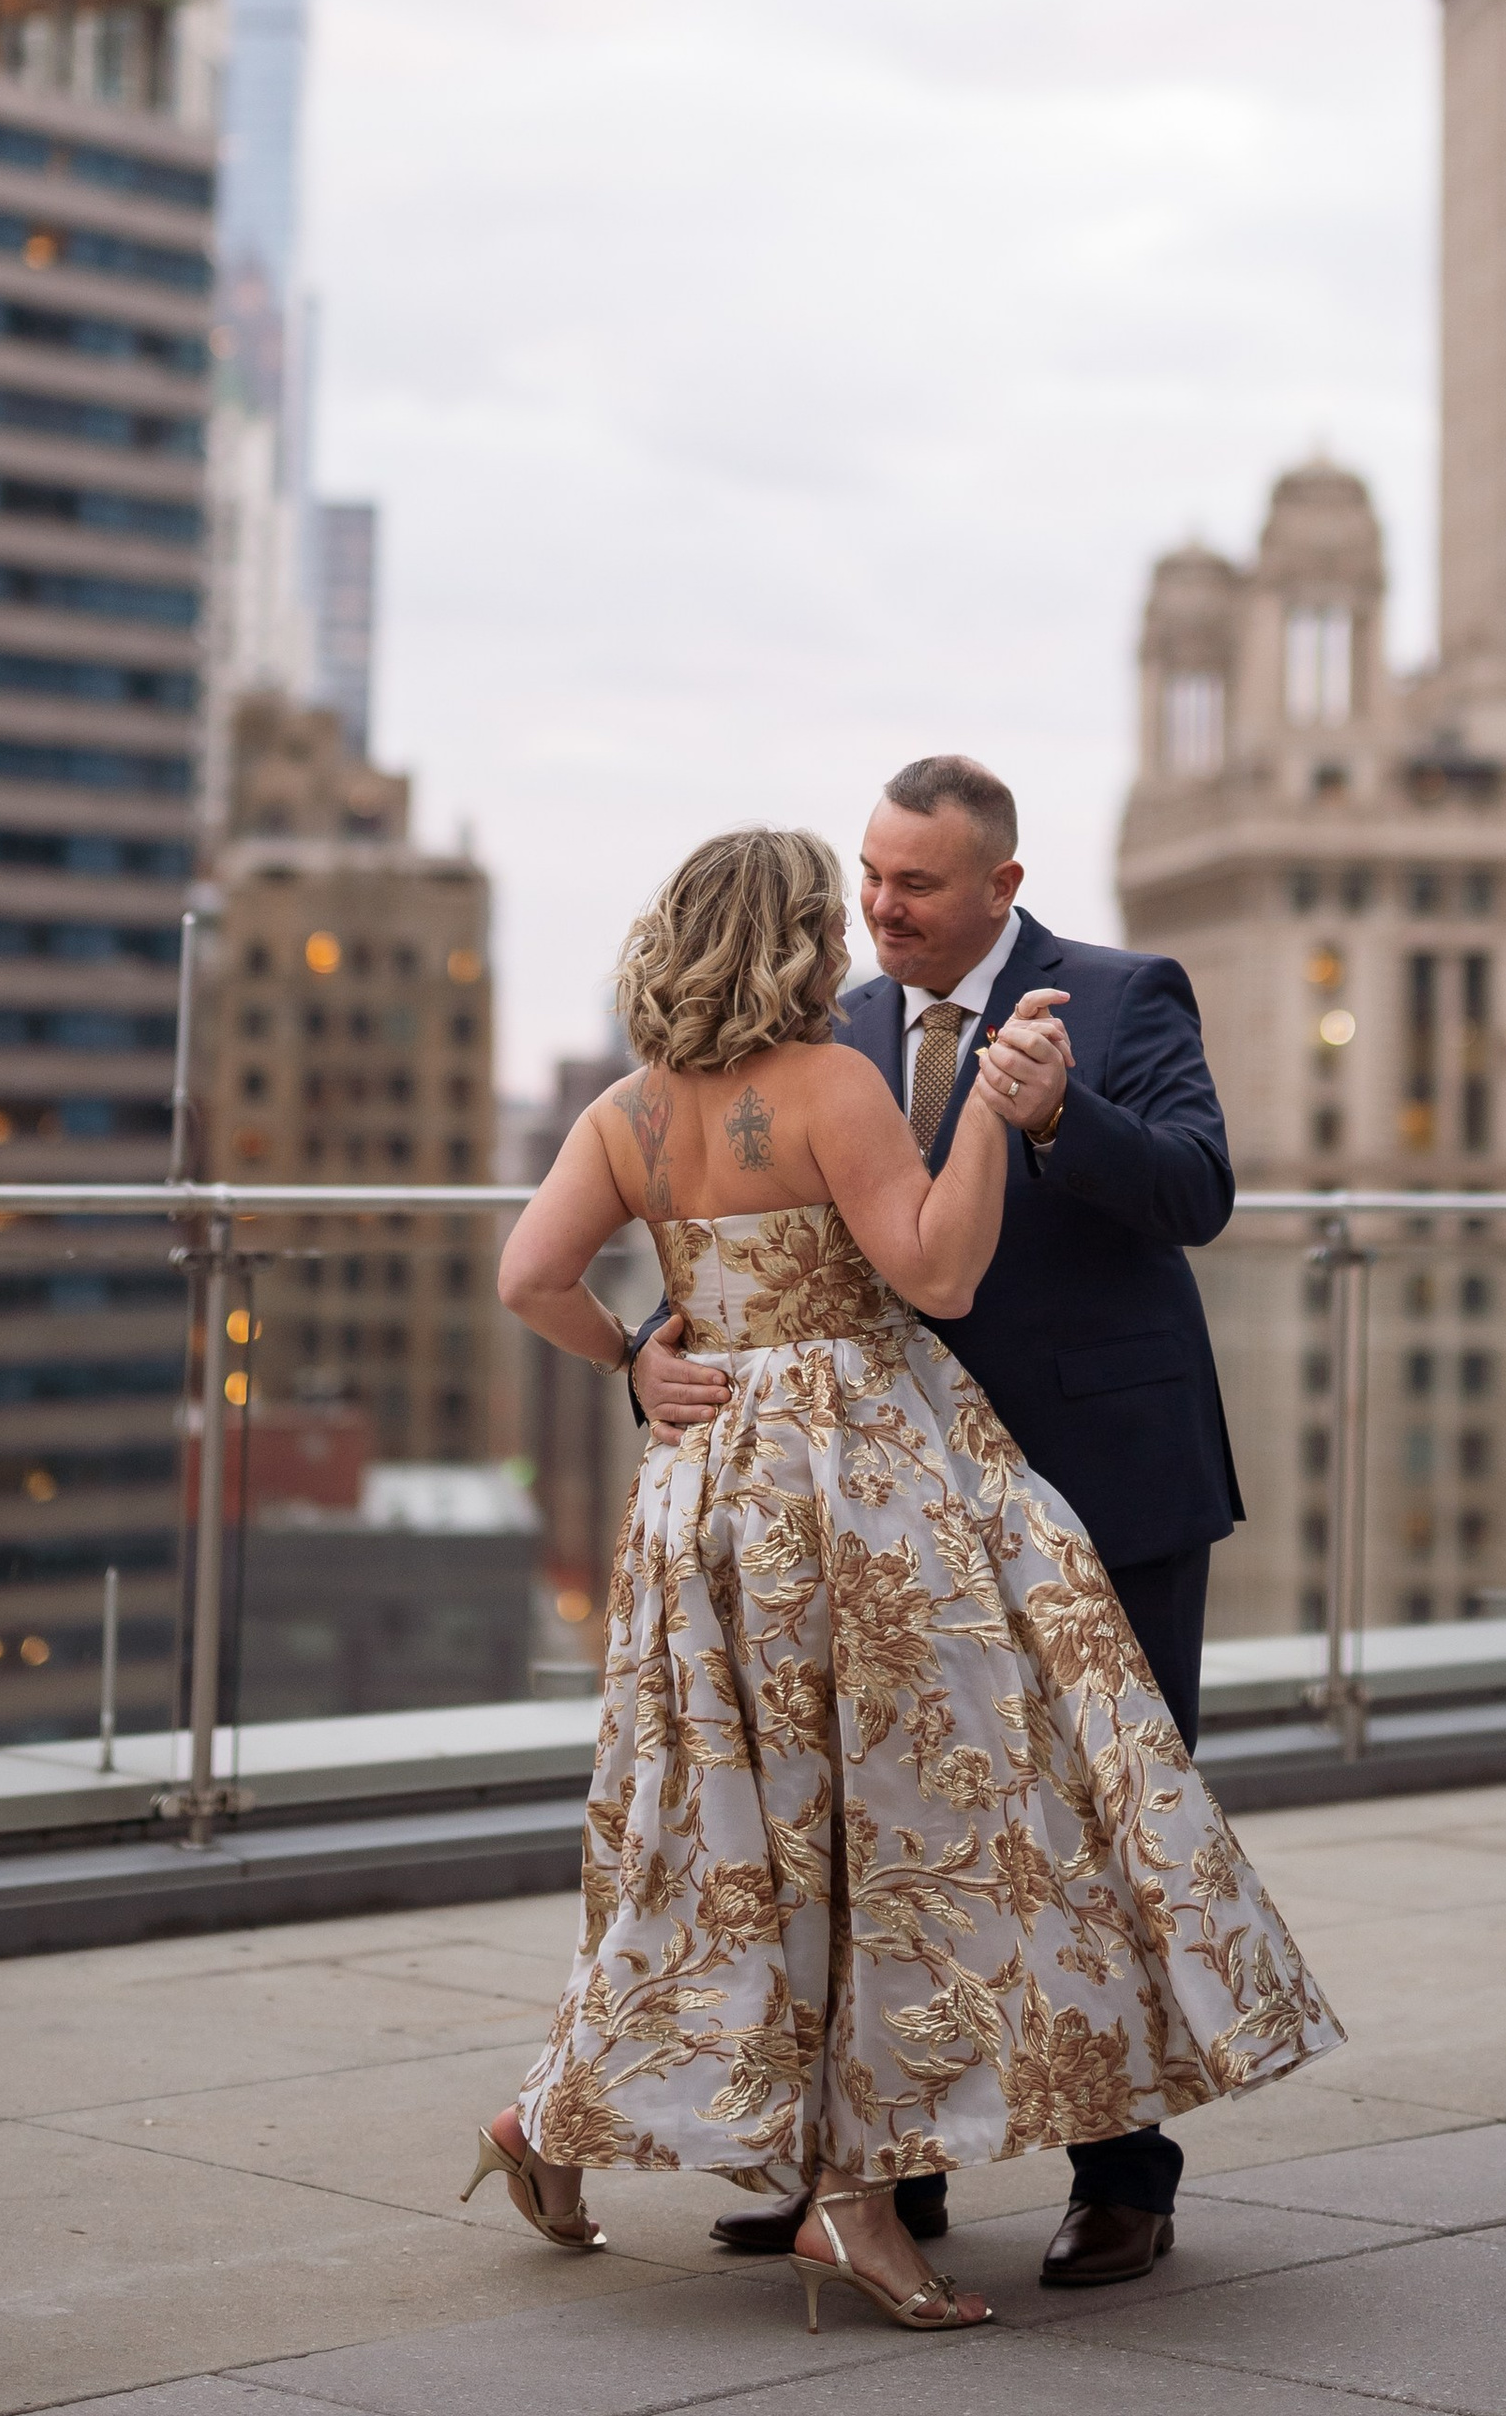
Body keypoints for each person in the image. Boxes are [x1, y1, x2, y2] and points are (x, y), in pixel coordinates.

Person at [470, 823, 1340, 2336]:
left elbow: (529, 1278)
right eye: (838, 907)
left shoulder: (627, 1111)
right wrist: (999, 1120)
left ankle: (576, 2128)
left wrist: (640, 1358)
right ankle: (853, 2189)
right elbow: (936, 1277)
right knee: (922, 1812)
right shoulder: (832, 1080)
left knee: (732, 1834)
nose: (863, 927)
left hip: (706, 1506)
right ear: (798, 936)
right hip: (858, 1495)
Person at [631, 756, 1247, 2289]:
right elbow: (751, 1236)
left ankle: (1125, 2178)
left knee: (1112, 1830)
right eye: (870, 875)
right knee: (881, 1835)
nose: (880, 908)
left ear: (1002, 891)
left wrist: (1063, 1119)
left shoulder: (1118, 995)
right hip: (888, 1522)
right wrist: (648, 1355)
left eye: (914, 884)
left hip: (1106, 1483)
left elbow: (1199, 1191)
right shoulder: (825, 1029)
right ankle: (876, 2178)